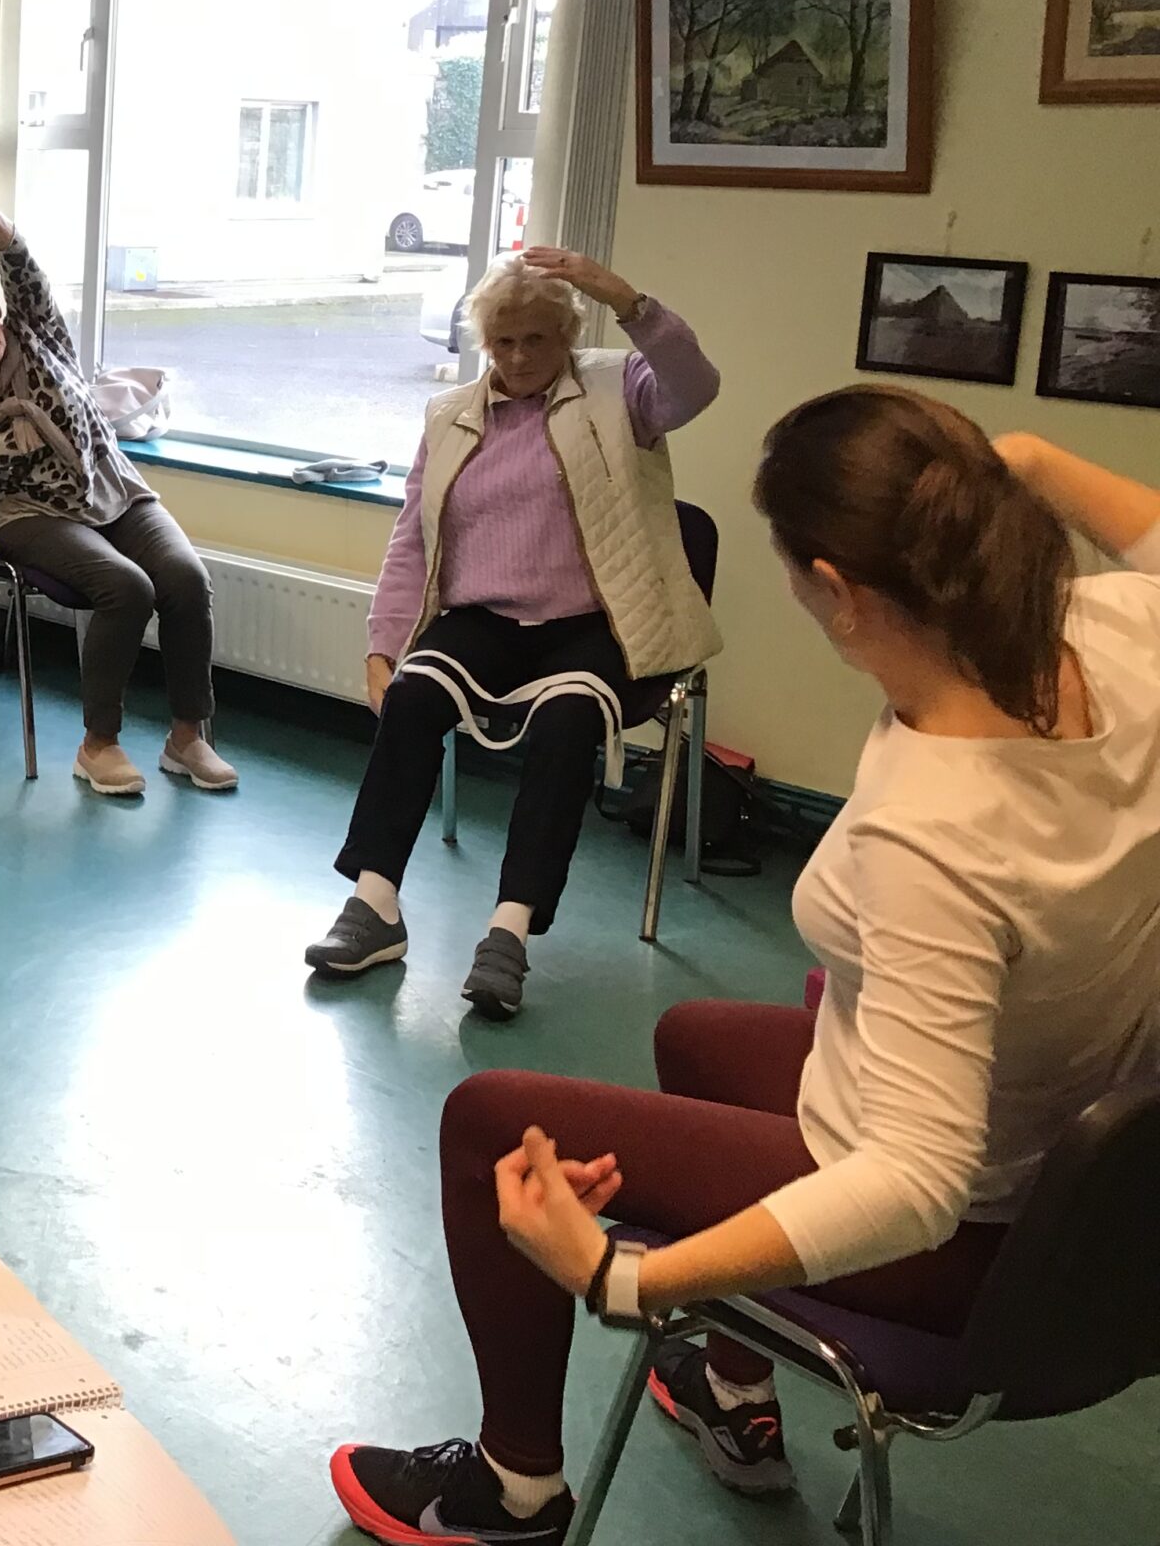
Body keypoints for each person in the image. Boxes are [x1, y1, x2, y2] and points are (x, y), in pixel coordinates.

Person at [328, 395, 1160, 1546]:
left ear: (838, 589)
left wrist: (624, 1281)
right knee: (697, 1039)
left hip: (967, 1242)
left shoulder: (937, 830)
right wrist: (1013, 461)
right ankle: (729, 1385)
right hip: (1086, 1168)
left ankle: (512, 1492)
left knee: (487, 1125)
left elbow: (914, 1186)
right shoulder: (1124, 639)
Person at [304, 249, 719, 1018]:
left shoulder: (617, 388)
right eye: (504, 342)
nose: (521, 358)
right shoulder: (450, 415)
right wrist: (382, 645)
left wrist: (628, 299)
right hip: (484, 620)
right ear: (483, 342)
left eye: (538, 339)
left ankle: (510, 932)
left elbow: (696, 387)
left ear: (569, 336)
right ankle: (375, 905)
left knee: (566, 723)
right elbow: (413, 539)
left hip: (598, 625)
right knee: (415, 696)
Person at [0, 160, 237, 799]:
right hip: (30, 516)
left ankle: (187, 737)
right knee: (126, 588)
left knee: (186, 578)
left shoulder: (39, 333)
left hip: (110, 485)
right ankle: (97, 745)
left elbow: (16, 254)